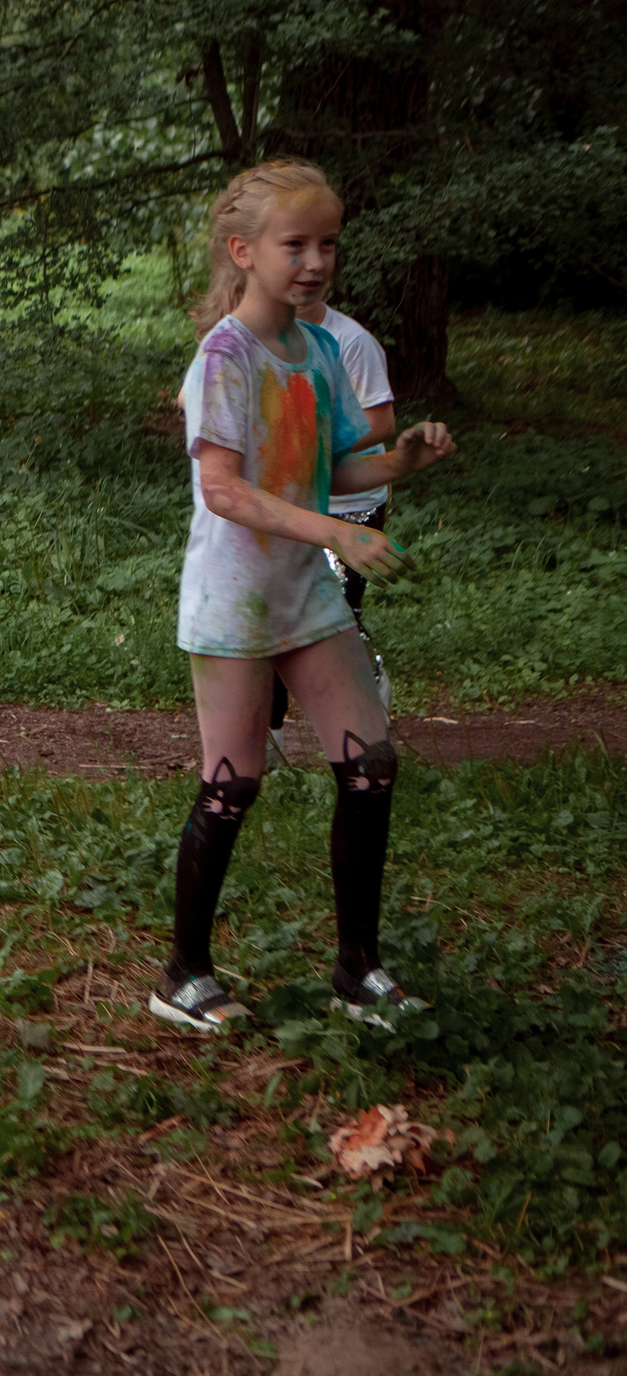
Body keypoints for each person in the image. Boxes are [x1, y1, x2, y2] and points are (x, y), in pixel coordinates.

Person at [157, 161, 456, 1036]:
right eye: (296, 244)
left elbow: (331, 467)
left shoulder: (319, 349)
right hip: (234, 602)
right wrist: (336, 533)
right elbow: (227, 491)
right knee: (231, 783)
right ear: (244, 251)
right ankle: (183, 972)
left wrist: (403, 463)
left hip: (303, 597)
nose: (316, 260)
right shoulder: (224, 355)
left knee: (371, 764)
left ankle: (358, 969)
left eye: (327, 243)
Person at [268, 252, 398, 761]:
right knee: (276, 620)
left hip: (351, 506)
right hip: (290, 506)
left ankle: (368, 702)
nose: (309, 271)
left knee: (334, 621)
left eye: (323, 252)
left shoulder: (351, 342)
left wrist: (310, 446)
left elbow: (382, 422)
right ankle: (270, 746)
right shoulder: (256, 340)